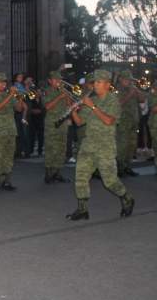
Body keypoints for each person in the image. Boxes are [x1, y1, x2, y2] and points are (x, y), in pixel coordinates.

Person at [66, 69, 135, 221]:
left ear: (107, 84)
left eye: (98, 82)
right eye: (94, 82)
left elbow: (109, 120)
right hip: (88, 145)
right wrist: (74, 111)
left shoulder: (113, 101)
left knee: (109, 181)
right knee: (81, 177)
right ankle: (82, 209)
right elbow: (79, 123)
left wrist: (92, 107)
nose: (95, 85)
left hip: (105, 147)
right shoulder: (92, 100)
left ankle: (127, 198)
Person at [0, 72, 26, 191]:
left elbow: (19, 109)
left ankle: (7, 181)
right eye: (1, 82)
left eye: (5, 82)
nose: (4, 84)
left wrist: (19, 98)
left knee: (9, 156)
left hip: (10, 130)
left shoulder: (9, 95)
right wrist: (11, 95)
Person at [42, 71, 71, 184]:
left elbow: (69, 106)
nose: (59, 82)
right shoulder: (47, 91)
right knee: (51, 149)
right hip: (52, 124)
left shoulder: (63, 91)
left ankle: (58, 173)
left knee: (61, 148)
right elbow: (47, 107)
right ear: (50, 81)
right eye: (56, 79)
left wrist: (67, 96)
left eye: (60, 80)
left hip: (62, 124)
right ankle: (49, 175)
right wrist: (60, 96)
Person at [115, 70, 144, 177]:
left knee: (132, 145)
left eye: (130, 80)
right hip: (122, 122)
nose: (129, 82)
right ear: (121, 79)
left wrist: (137, 91)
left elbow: (142, 100)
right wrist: (129, 95)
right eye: (127, 79)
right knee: (122, 146)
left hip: (133, 121)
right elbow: (117, 105)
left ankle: (127, 166)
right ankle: (119, 168)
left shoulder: (133, 89)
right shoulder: (116, 90)